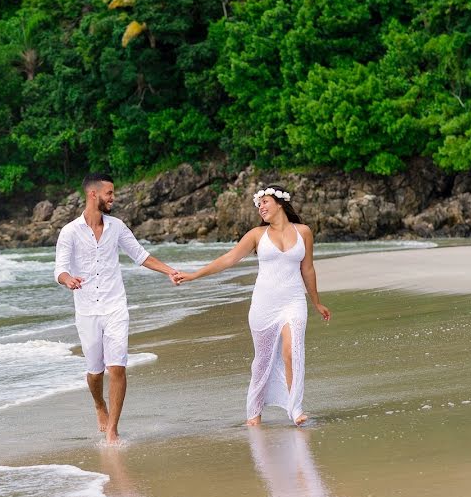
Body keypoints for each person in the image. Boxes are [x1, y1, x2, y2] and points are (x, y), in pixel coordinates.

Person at [175, 185, 330, 426]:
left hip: (293, 300)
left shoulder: (304, 232)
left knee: (293, 351)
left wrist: (317, 302)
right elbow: (229, 259)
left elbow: (307, 268)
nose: (261, 208)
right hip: (264, 304)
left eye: (265, 202)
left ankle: (295, 408)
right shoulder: (256, 235)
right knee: (262, 360)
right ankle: (254, 414)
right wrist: (194, 275)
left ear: (279, 203)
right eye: (259, 205)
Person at [54, 173, 180, 444]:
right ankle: (100, 405)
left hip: (115, 307)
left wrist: (169, 270)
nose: (113, 197)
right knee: (95, 371)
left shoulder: (117, 227)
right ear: (93, 194)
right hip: (87, 310)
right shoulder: (70, 231)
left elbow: (140, 255)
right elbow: (60, 269)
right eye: (109, 193)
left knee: (118, 368)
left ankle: (112, 428)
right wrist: (68, 280)